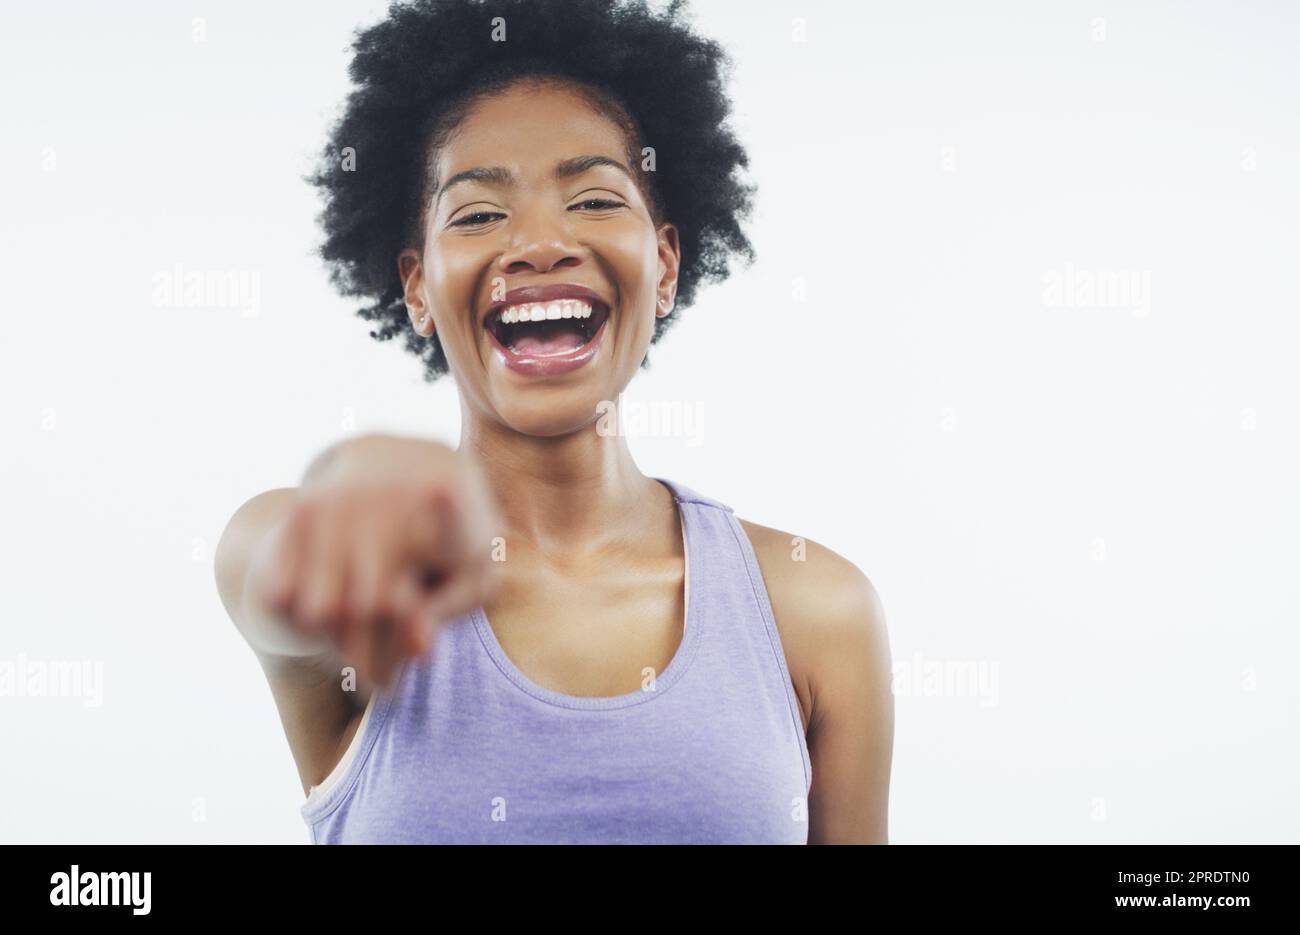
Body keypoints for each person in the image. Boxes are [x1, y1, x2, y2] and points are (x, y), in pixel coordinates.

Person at [214, 0, 893, 844]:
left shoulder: (816, 609)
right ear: (418, 285)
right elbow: (272, 564)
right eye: (478, 213)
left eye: (596, 199)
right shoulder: (365, 593)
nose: (539, 241)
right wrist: (337, 501)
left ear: (666, 264)